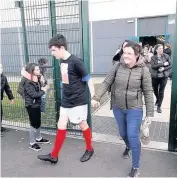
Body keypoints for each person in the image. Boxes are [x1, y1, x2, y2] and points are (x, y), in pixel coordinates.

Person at [92, 41, 154, 178]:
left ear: (137, 55)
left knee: (133, 135)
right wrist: (96, 97)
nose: (125, 56)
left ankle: (135, 167)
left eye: (129, 53)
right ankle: (128, 146)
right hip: (118, 107)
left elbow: (148, 92)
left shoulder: (144, 69)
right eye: (124, 52)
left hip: (135, 108)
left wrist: (149, 114)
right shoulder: (118, 66)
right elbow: (107, 81)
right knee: (123, 134)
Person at [37, 34, 95, 164]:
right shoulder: (62, 61)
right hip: (66, 101)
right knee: (61, 125)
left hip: (78, 101)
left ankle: (90, 149)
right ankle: (54, 155)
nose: (52, 53)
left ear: (61, 47)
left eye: (53, 50)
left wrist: (93, 97)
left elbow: (89, 80)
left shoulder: (76, 62)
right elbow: (66, 79)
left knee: (83, 124)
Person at [19, 63, 50, 151]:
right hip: (31, 105)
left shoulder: (36, 78)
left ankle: (39, 138)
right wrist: (44, 90)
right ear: (31, 71)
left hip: (36, 104)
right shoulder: (28, 82)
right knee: (33, 124)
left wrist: (43, 81)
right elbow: (34, 94)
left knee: (38, 122)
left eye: (38, 69)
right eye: (36, 70)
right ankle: (32, 143)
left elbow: (43, 86)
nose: (38, 71)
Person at [151, 44, 172, 113]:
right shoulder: (153, 57)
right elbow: (153, 66)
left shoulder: (166, 56)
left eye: (162, 48)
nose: (161, 50)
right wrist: (163, 64)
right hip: (155, 76)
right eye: (159, 48)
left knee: (161, 91)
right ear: (156, 50)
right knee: (155, 89)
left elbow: (171, 65)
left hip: (164, 76)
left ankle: (159, 106)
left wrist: (164, 69)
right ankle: (158, 99)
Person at [0, 63, 14, 136]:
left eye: (1, 67)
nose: (1, 69)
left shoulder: (3, 77)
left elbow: (7, 88)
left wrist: (11, 97)